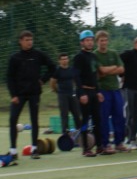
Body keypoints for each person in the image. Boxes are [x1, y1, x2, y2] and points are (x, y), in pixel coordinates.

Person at [6, 30, 56, 161]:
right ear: (20, 41)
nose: (29, 42)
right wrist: (13, 95)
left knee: (35, 120)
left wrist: (43, 80)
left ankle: (34, 149)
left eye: (31, 40)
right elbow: (9, 78)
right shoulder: (15, 58)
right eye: (26, 40)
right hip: (19, 94)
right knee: (12, 120)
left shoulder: (38, 55)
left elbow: (52, 67)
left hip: (34, 93)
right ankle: (13, 151)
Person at [73, 30, 110, 157]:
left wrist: (98, 91)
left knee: (97, 120)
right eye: (87, 40)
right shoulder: (78, 57)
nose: (89, 42)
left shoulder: (94, 57)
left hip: (94, 91)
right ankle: (86, 148)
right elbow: (76, 76)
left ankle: (100, 147)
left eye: (91, 40)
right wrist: (81, 93)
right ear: (82, 42)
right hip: (84, 91)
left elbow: (95, 76)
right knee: (85, 121)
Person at [94, 31, 127, 153]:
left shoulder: (113, 53)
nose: (104, 42)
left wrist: (108, 70)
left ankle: (119, 142)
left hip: (116, 89)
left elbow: (122, 69)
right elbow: (100, 71)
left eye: (105, 40)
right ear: (97, 42)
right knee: (103, 118)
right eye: (101, 40)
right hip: (103, 90)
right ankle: (106, 144)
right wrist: (114, 67)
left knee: (119, 116)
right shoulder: (95, 55)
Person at [50, 53, 82, 136]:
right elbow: (53, 83)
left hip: (72, 94)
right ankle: (65, 133)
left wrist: (75, 89)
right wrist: (57, 91)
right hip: (62, 95)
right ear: (59, 60)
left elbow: (75, 81)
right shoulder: (57, 71)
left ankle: (80, 131)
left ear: (68, 60)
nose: (65, 60)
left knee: (77, 113)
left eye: (66, 58)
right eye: (63, 59)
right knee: (64, 114)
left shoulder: (72, 69)